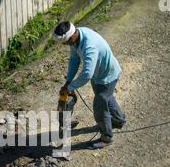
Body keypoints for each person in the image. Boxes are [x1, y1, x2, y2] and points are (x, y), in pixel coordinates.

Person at [53, 21, 126, 149]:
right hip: (100, 74)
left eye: (65, 42)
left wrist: (70, 88)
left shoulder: (89, 45)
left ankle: (106, 138)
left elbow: (87, 74)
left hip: (106, 76)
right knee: (105, 97)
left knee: (99, 107)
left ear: (71, 37)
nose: (64, 45)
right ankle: (119, 120)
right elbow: (74, 60)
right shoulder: (77, 36)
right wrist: (68, 81)